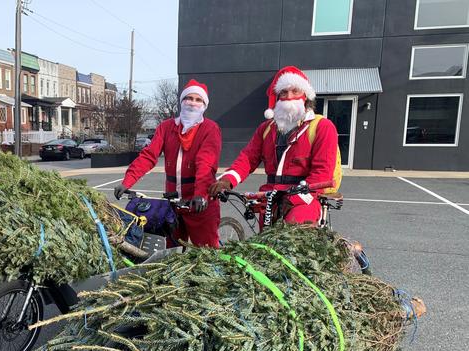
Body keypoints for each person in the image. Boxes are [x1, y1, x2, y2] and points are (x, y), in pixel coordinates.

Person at [208, 66, 339, 225]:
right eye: (283, 93)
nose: (289, 97)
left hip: (305, 198)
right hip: (271, 196)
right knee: (266, 243)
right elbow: (248, 158)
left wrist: (294, 199)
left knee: (292, 237)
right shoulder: (267, 129)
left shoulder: (322, 127)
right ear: (277, 98)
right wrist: (227, 180)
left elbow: (322, 173)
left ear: (305, 96)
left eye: (295, 91)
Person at [114, 79, 222, 247]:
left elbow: (205, 163)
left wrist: (201, 194)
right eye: (189, 98)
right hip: (173, 204)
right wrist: (127, 181)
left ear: (204, 105)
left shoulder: (210, 128)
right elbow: (149, 156)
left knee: (206, 252)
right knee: (171, 252)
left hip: (199, 202)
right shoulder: (166, 127)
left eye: (198, 99)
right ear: (182, 101)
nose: (193, 103)